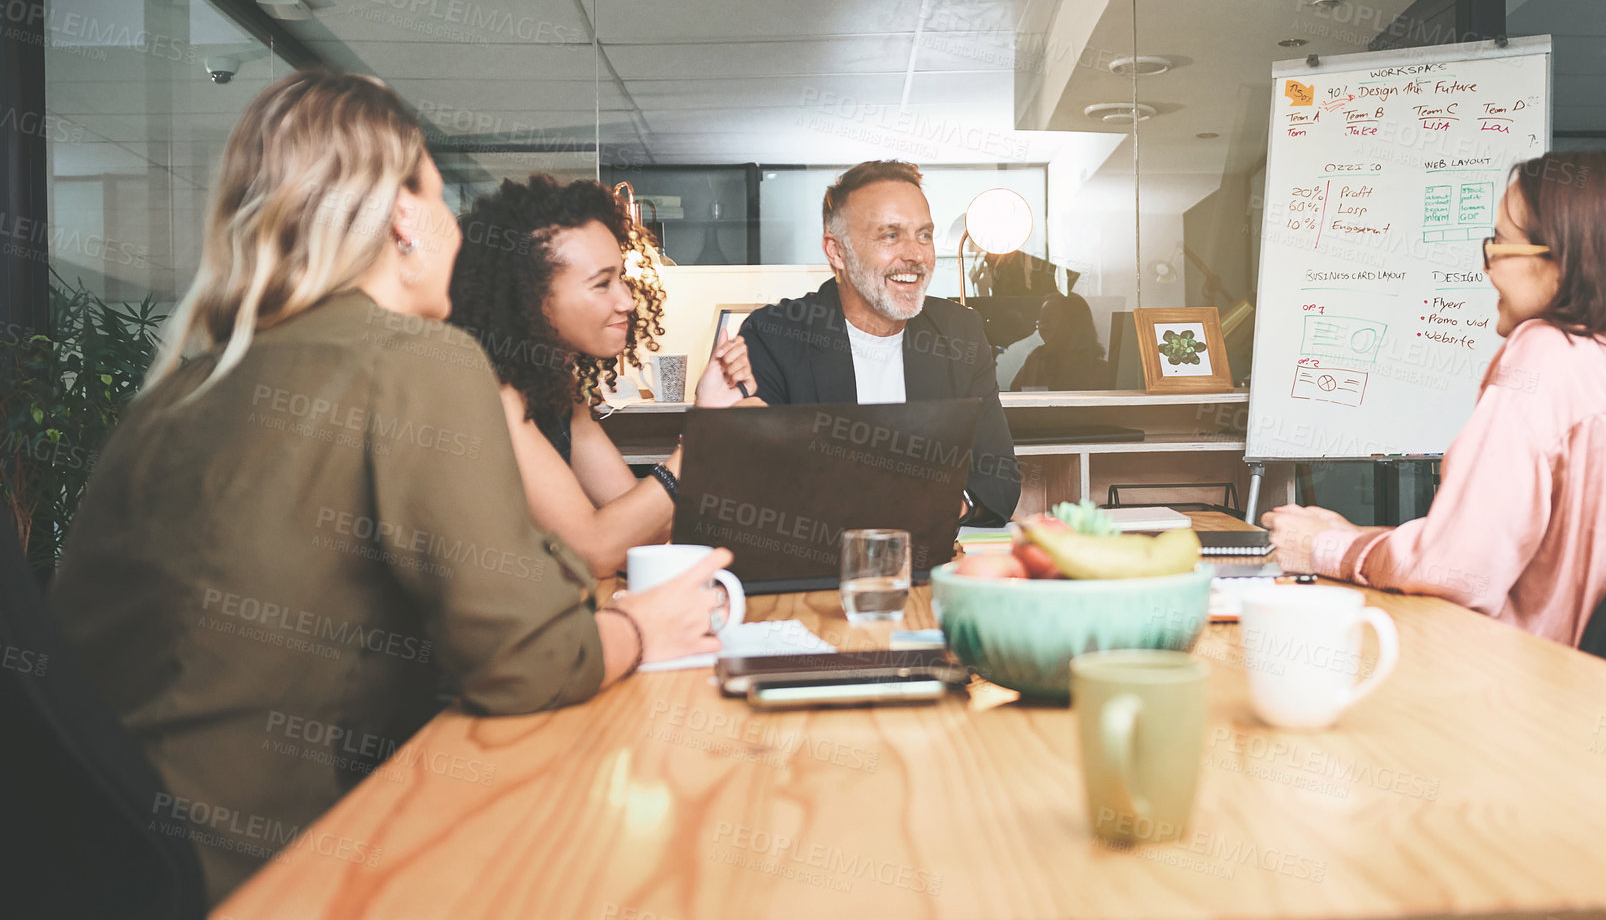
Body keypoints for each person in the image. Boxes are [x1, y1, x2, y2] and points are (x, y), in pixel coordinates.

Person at [47, 71, 729, 903]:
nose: (453, 232)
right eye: (440, 202)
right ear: (406, 219)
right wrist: (637, 627)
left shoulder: (176, 389)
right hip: (262, 873)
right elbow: (527, 659)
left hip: (99, 863)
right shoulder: (418, 359)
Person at [1263, 150, 1606, 646]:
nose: (1487, 266)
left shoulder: (1549, 352)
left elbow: (1455, 569)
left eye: (1499, 244)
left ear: (1564, 261)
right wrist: (1362, 539)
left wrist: (1328, 549)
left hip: (1518, 690)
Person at [447, 175, 760, 578]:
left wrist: (709, 414)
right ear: (530, 297)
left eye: (622, 280)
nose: (628, 300)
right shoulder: (492, 395)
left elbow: (639, 526)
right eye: (602, 284)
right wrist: (711, 440)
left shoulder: (562, 390)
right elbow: (595, 550)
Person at [738, 160, 1021, 525]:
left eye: (923, 235)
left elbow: (999, 478)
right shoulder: (772, 336)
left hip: (929, 558)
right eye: (890, 235)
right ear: (837, 252)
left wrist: (951, 502)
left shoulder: (958, 332)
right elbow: (752, 487)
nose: (916, 255)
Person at [1011, 292, 1110, 391]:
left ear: (1075, 324)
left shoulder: (1102, 373)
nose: (1042, 326)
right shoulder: (1035, 362)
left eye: (1049, 319)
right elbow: (1016, 396)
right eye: (1041, 320)